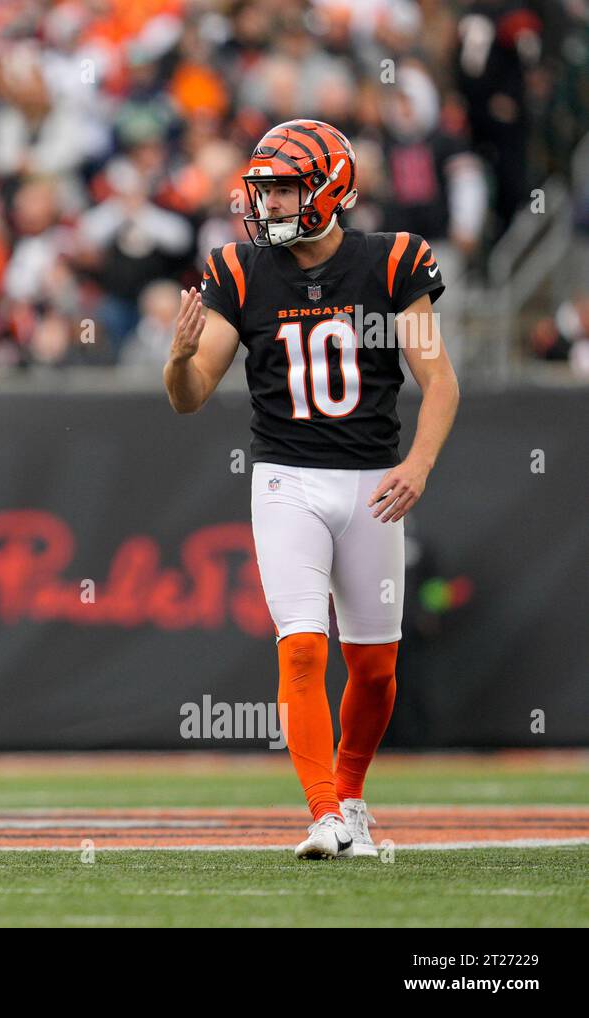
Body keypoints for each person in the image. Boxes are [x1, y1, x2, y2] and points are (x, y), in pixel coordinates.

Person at [163, 119, 460, 860]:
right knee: (301, 649)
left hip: (371, 484)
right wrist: (174, 361)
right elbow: (192, 393)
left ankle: (353, 795)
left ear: (330, 188)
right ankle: (323, 813)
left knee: (375, 668)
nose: (269, 205)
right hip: (287, 479)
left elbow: (439, 378)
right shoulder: (239, 270)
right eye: (264, 190)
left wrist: (418, 464)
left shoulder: (393, 262)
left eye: (286, 188)